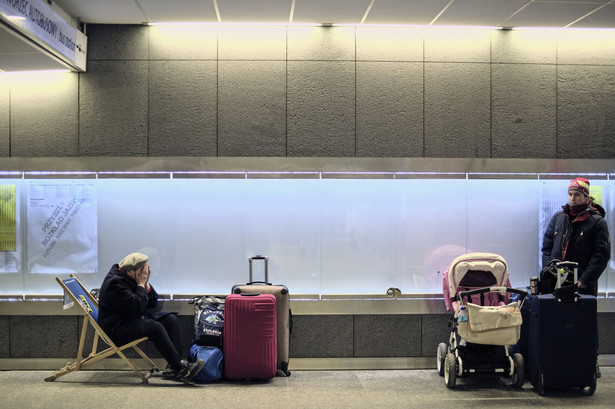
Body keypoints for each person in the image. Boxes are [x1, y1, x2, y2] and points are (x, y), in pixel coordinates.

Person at [97, 252, 204, 384]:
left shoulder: (128, 277)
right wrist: (140, 284)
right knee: (154, 327)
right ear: (132, 271)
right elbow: (137, 307)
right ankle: (181, 369)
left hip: (130, 319)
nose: (144, 274)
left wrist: (146, 285)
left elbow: (152, 303)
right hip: (116, 328)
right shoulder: (115, 283)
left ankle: (174, 366)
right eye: (142, 271)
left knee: (170, 319)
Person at [541, 177, 610, 377]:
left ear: (586, 197)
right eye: (570, 194)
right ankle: (560, 360)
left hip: (583, 283)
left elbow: (601, 255)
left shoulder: (596, 222)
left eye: (577, 194)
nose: (572, 198)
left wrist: (584, 280)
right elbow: (547, 245)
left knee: (585, 322)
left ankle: (590, 360)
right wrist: (549, 268)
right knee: (558, 320)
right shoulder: (558, 218)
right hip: (557, 281)